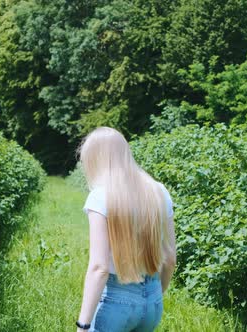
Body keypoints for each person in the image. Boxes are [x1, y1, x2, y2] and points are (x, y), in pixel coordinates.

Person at [75, 126, 177, 332]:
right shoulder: (159, 192)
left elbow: (99, 267)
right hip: (152, 300)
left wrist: (82, 325)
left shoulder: (100, 196)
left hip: (115, 301)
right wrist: (155, 295)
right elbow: (170, 258)